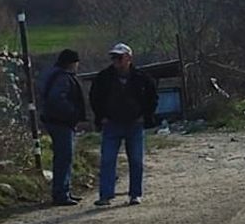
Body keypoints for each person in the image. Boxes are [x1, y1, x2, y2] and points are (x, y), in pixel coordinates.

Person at [89, 43, 158, 207]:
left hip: (135, 124)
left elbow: (152, 98)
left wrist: (145, 116)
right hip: (111, 124)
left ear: (128, 58)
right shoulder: (103, 77)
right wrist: (101, 117)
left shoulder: (142, 78)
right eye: (113, 58)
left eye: (119, 57)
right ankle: (105, 195)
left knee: (136, 160)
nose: (115, 61)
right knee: (107, 160)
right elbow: (94, 98)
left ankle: (135, 194)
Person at [38, 49, 87, 206]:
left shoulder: (52, 75)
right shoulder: (63, 78)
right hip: (61, 123)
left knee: (63, 157)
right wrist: (73, 113)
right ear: (72, 63)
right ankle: (61, 193)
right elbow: (57, 99)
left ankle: (64, 190)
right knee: (64, 157)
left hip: (53, 121)